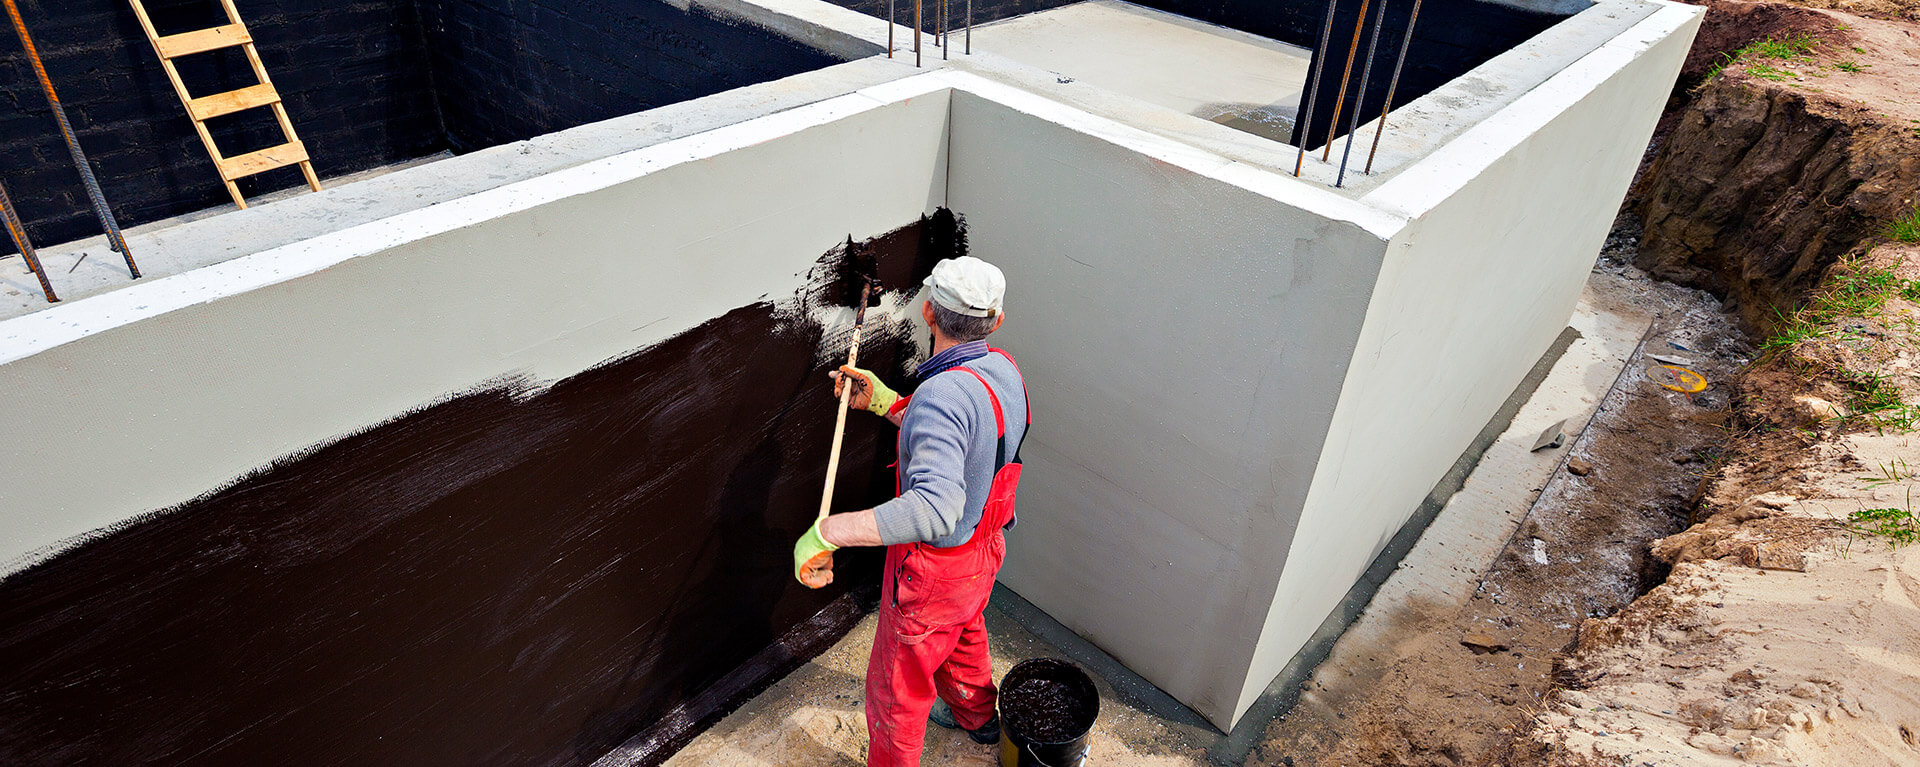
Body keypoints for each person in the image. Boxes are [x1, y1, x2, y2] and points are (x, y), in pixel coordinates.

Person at [792, 255, 1030, 766]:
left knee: (896, 695)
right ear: (997, 321)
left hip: (935, 573)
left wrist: (827, 532)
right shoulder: (1003, 371)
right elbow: (972, 448)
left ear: (928, 312)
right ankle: (979, 718)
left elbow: (935, 510)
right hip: (982, 553)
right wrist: (885, 402)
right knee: (965, 628)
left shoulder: (941, 397)